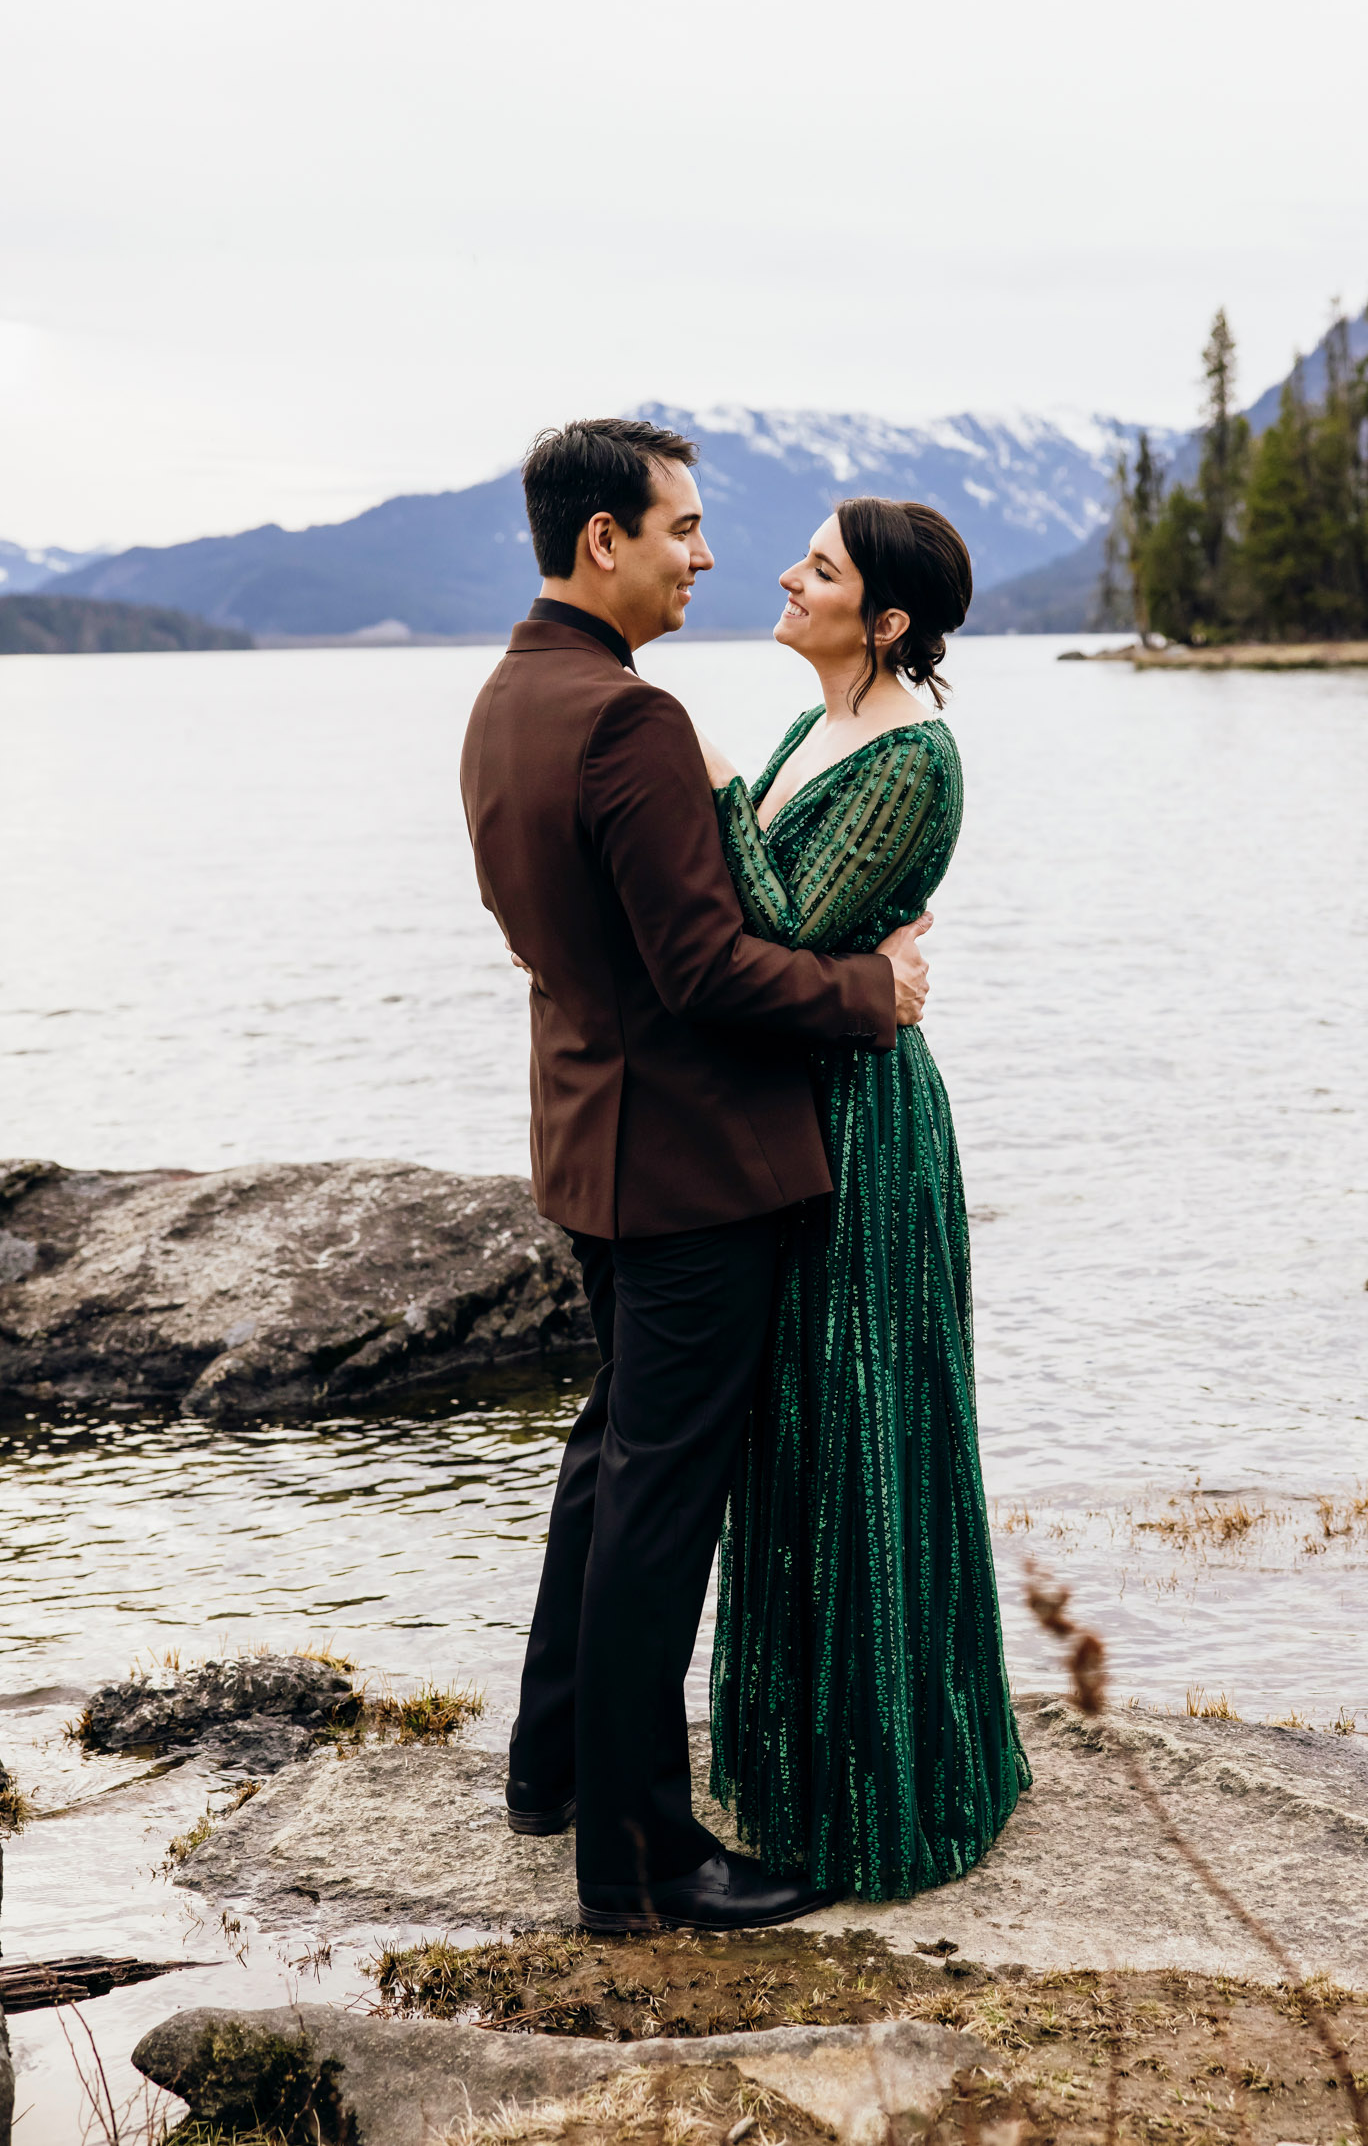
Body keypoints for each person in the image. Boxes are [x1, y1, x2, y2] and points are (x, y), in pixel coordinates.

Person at [460, 417, 932, 1936]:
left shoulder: (507, 700)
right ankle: (646, 1864)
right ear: (604, 539)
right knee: (662, 1508)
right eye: (682, 529)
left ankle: (553, 1772)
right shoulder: (630, 722)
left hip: (589, 1146)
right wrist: (878, 996)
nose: (707, 556)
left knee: (609, 1469)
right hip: (692, 1167)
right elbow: (709, 968)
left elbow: (573, 953)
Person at [696, 497, 1031, 1900]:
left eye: (819, 568)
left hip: (865, 1130)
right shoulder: (821, 726)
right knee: (795, 1434)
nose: (786, 574)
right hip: (799, 1106)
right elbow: (772, 916)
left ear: (884, 619)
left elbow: (775, 924)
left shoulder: (914, 762)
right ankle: (795, 1766)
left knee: (866, 1430)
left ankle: (894, 1786)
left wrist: (708, 784)